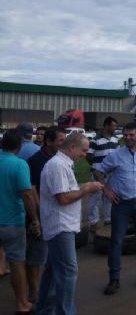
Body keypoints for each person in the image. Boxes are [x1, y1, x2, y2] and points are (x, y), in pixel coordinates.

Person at [93, 123, 136, 295]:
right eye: (125, 135)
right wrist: (107, 190)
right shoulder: (116, 155)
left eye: (132, 135)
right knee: (116, 242)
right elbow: (98, 170)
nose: (128, 138)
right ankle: (114, 279)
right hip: (121, 205)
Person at [36, 133, 103, 315]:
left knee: (52, 271)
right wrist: (87, 189)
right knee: (67, 272)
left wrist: (84, 186)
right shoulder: (57, 166)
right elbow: (63, 198)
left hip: (62, 225)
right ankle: (65, 312)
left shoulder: (63, 164)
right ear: (72, 147)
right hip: (60, 226)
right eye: (83, 150)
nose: (84, 154)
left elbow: (66, 191)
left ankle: (43, 309)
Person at [0, 129, 41, 314]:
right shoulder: (20, 165)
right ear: (19, 147)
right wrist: (34, 219)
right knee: (17, 263)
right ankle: (22, 304)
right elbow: (26, 193)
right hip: (13, 222)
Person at [25, 127, 66, 304]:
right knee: (36, 257)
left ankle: (50, 292)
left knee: (55, 258)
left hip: (59, 217)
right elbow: (31, 189)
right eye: (61, 141)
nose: (64, 144)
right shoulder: (35, 161)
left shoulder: (62, 159)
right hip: (40, 217)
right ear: (48, 142)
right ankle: (34, 293)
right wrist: (39, 216)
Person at [87, 116, 119, 233]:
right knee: (95, 199)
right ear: (106, 126)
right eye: (114, 125)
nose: (115, 128)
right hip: (97, 174)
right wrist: (98, 166)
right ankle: (93, 222)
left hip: (111, 174)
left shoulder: (115, 140)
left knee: (109, 196)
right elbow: (89, 157)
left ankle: (108, 219)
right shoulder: (95, 140)